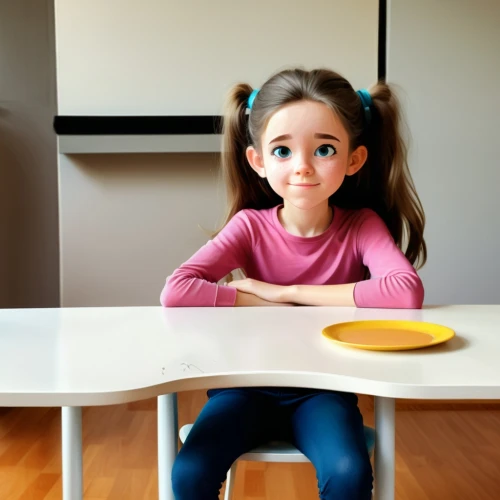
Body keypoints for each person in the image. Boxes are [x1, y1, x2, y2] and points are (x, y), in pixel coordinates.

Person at [160, 67, 427, 500]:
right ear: (258, 161)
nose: (302, 167)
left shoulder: (361, 226)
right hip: (244, 390)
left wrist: (286, 292)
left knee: (347, 472)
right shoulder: (249, 226)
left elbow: (405, 291)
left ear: (354, 160)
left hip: (324, 394)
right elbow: (178, 290)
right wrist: (267, 307)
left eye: (324, 149)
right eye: (282, 151)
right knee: (189, 472)